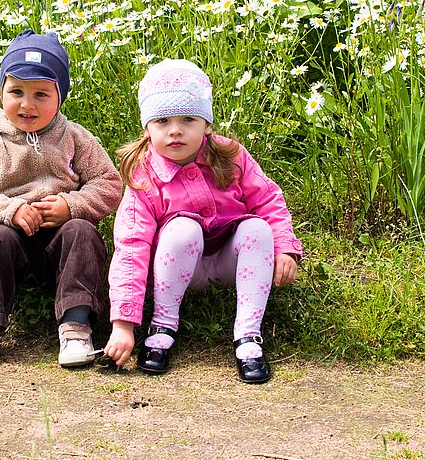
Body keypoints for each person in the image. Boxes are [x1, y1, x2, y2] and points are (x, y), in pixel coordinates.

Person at [103, 59, 303, 383]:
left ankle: (248, 336)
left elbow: (267, 199)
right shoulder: (145, 175)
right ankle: (163, 324)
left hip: (231, 264)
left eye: (188, 119)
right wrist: (123, 324)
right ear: (147, 128)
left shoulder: (230, 155)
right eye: (162, 120)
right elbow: (131, 244)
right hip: (180, 267)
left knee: (256, 227)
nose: (176, 129)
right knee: (182, 228)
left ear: (207, 124)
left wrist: (284, 247)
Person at [0, 30, 122, 368]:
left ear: (61, 97)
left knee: (83, 232)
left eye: (41, 94)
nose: (27, 104)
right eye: (16, 92)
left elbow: (109, 182)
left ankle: (76, 326)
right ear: (0, 92)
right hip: (12, 238)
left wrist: (72, 206)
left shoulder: (74, 137)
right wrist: (8, 210)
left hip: (62, 239)